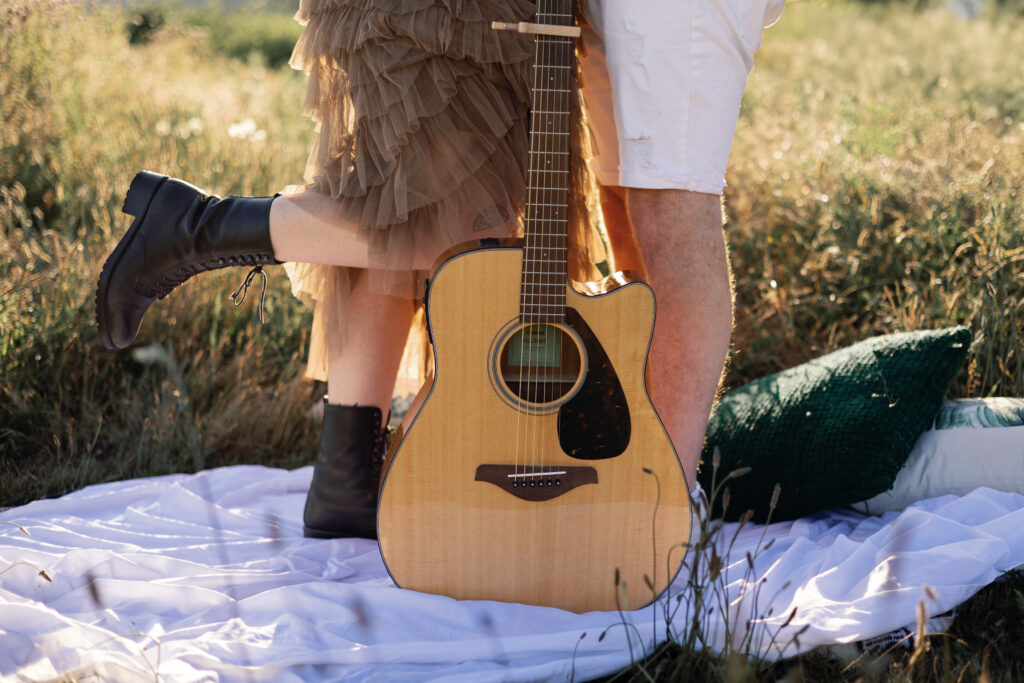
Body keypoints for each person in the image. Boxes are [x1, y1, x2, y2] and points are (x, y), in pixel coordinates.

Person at [95, 0, 784, 540]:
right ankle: (198, 226)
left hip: (496, 14)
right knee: (440, 213)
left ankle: (348, 484)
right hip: (447, 11)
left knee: (414, 191)